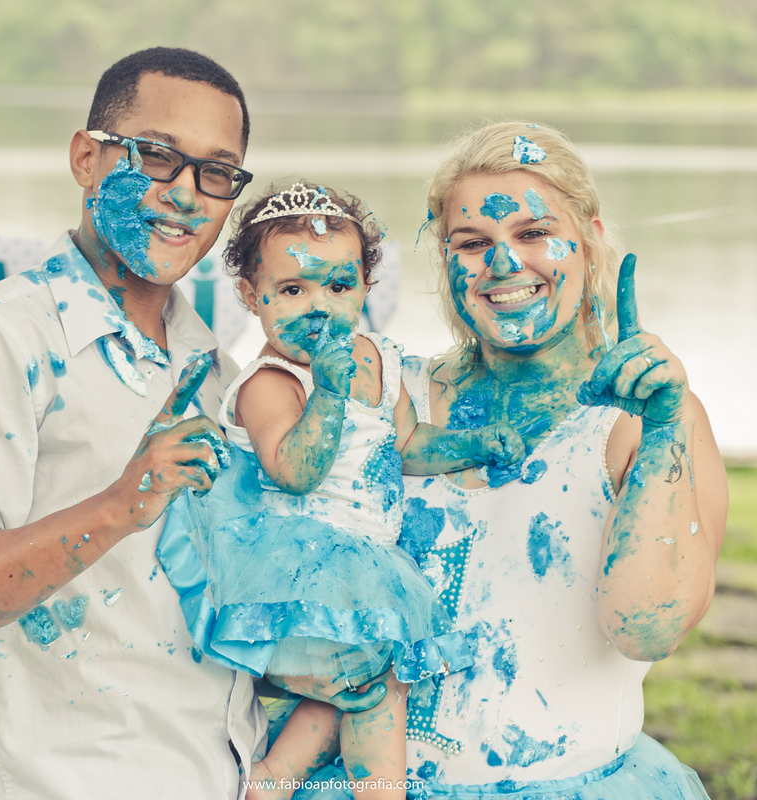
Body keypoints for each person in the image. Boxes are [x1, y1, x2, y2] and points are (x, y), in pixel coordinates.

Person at [0, 49, 379, 800]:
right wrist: (119, 506)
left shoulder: (210, 363)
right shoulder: (1, 340)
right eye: (155, 155)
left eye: (216, 172)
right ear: (87, 157)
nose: (184, 194)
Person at [298, 121, 728, 799]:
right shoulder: (387, 398)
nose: (502, 263)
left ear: (588, 239)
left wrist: (666, 430)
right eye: (472, 244)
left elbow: (646, 627)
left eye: (532, 234)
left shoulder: (634, 422)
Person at [158, 183, 525, 800]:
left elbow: (406, 447)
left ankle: (273, 778)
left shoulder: (376, 359)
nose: (318, 307)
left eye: (338, 286)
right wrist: (326, 392)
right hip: (303, 567)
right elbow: (293, 471)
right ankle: (382, 790)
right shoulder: (271, 382)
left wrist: (474, 443)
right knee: (375, 688)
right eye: (293, 290)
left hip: (371, 563)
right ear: (253, 296)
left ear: (365, 288)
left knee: (361, 680)